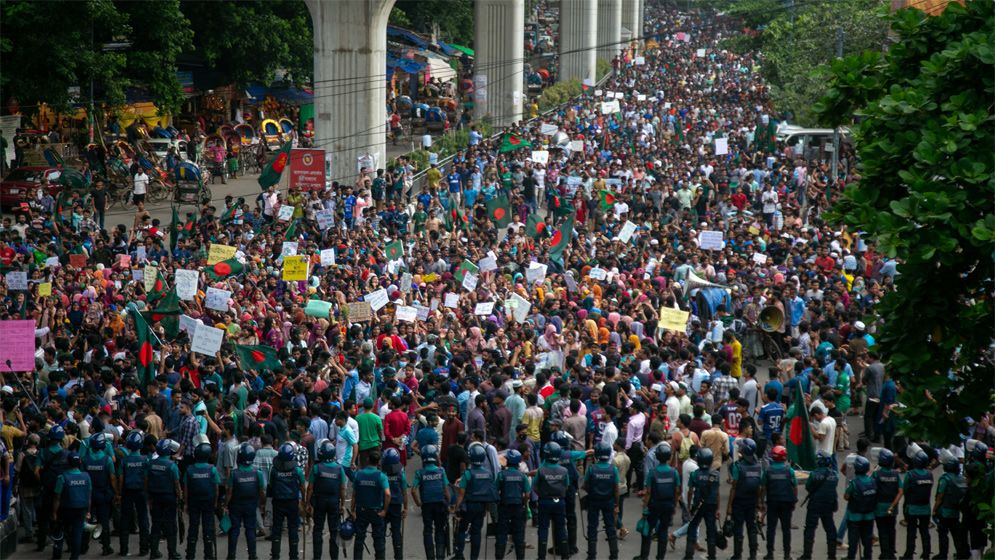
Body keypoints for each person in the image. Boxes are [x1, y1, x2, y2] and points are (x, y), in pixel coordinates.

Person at [453, 444, 497, 560]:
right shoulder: (488, 473)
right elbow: (491, 491)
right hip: (481, 507)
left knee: (462, 530)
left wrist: (456, 509)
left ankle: (459, 555)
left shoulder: (468, 473)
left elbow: (461, 494)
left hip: (468, 507)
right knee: (476, 532)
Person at [306, 440, 347, 560]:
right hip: (334, 502)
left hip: (319, 502)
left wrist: (307, 503)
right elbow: (343, 489)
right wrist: (343, 504)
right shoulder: (340, 469)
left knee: (318, 529)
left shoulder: (316, 468)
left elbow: (310, 488)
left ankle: (317, 557)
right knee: (334, 531)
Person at [639, 442, 679, 560]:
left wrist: (645, 506)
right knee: (663, 530)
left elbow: (648, 492)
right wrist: (674, 505)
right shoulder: (674, 472)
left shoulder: (653, 473)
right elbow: (677, 491)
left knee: (647, 530)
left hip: (654, 505)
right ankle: (660, 557)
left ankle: (644, 556)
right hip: (668, 505)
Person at [225, 443, 266, 560]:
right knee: (250, 530)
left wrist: (225, 505)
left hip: (236, 506)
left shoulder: (234, 474)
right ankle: (252, 555)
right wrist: (262, 504)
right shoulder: (257, 473)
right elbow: (262, 491)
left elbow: (229, 492)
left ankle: (231, 556)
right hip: (251, 506)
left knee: (234, 530)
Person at [411, 444, 451, 560]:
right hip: (440, 504)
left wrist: (419, 503)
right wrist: (449, 504)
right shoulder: (441, 471)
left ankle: (430, 557)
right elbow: (446, 490)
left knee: (428, 530)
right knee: (439, 530)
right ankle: (440, 556)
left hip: (427, 505)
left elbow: (413, 491)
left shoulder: (420, 473)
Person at [184, 442, 221, 560]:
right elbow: (216, 488)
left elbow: (186, 489)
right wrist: (215, 502)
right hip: (208, 502)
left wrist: (185, 503)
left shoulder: (190, 469)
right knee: (208, 528)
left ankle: (190, 555)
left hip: (193, 502)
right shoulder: (212, 469)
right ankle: (209, 555)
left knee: (193, 527)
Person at [351, 448, 390, 560]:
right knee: (378, 539)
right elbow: (387, 494)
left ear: (367, 460)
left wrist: (352, 510)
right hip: (376, 511)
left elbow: (354, 495)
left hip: (361, 511)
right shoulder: (381, 476)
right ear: (378, 462)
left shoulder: (359, 475)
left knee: (359, 538)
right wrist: (385, 511)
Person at [583, 442, 619, 560]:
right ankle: (614, 555)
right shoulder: (613, 469)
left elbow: (585, 485)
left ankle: (591, 555)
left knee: (592, 527)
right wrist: (616, 504)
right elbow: (616, 489)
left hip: (594, 501)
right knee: (610, 527)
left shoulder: (591, 469)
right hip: (608, 501)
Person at [726, 438, 762, 560]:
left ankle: (737, 555)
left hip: (739, 502)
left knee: (738, 529)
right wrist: (759, 503)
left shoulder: (738, 467)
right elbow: (759, 487)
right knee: (752, 528)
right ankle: (753, 555)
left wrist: (729, 506)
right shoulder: (758, 466)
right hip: (752, 502)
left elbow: (734, 487)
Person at [269, 442, 305, 560]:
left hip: (278, 502)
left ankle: (275, 556)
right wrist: (304, 500)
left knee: (277, 529)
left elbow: (271, 485)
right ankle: (294, 556)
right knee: (293, 529)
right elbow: (302, 486)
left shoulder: (274, 470)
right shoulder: (297, 470)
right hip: (292, 502)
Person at [51, 452, 91, 560]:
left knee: (60, 531)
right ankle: (74, 557)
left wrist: (54, 513)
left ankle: (57, 554)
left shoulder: (62, 477)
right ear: (79, 463)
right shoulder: (86, 476)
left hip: (65, 510)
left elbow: (57, 497)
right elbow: (88, 496)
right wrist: (88, 511)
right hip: (81, 509)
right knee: (77, 533)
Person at [147, 438, 182, 560]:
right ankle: (172, 553)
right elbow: (177, 484)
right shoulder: (172, 466)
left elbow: (147, 481)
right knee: (171, 526)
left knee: (156, 525)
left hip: (155, 497)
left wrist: (149, 497)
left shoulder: (151, 463)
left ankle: (153, 552)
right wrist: (180, 498)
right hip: (169, 498)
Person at [533, 442, 569, 560]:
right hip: (560, 502)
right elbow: (566, 486)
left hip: (544, 502)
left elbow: (534, 487)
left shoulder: (541, 470)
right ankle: (565, 556)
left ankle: (541, 556)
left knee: (543, 528)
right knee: (561, 528)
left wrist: (542, 495)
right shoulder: (564, 470)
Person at [800, 451, 839, 560]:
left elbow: (808, 487)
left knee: (810, 529)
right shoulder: (834, 474)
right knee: (830, 529)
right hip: (828, 505)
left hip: (815, 504)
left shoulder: (813, 474)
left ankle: (807, 555)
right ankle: (832, 555)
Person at [118, 430, 151, 557]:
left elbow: (120, 478)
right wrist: (147, 492)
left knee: (125, 519)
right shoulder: (145, 460)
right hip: (141, 491)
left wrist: (119, 493)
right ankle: (144, 549)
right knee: (143, 519)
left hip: (127, 491)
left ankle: (123, 549)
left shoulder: (124, 460)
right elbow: (147, 478)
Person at [761, 445, 797, 560]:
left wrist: (761, 502)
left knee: (771, 529)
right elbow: (794, 487)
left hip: (772, 502)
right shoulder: (789, 470)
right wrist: (794, 500)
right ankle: (787, 554)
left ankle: (770, 553)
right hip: (786, 502)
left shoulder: (768, 470)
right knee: (786, 529)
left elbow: (763, 487)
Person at [684, 447, 720, 560]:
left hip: (698, 505)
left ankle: (689, 555)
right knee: (711, 529)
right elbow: (717, 493)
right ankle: (712, 555)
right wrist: (718, 509)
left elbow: (690, 491)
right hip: (711, 505)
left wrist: (689, 506)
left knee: (692, 528)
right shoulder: (716, 475)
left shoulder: (695, 474)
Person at [36, 425, 68, 552]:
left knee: (44, 518)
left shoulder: (43, 452)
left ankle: (41, 543)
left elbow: (35, 471)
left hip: (47, 489)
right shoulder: (66, 454)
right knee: (63, 518)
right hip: (62, 491)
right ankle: (67, 544)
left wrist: (42, 482)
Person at [495, 448, 529, 560]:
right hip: (518, 507)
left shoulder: (501, 475)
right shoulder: (522, 476)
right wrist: (523, 504)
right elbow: (527, 494)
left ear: (508, 461)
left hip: (504, 507)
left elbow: (495, 491)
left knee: (501, 534)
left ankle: (499, 557)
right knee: (519, 534)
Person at [933, 454, 968, 560]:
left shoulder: (945, 478)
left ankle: (943, 554)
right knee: (956, 534)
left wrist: (934, 510)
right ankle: (961, 553)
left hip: (944, 511)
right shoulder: (961, 479)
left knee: (943, 534)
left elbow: (940, 496)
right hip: (955, 511)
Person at [901, 448, 933, 560]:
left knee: (911, 532)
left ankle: (909, 554)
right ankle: (926, 553)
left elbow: (904, 489)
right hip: (925, 508)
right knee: (925, 532)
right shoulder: (930, 475)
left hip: (912, 508)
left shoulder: (910, 475)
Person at [843, 455, 876, 560]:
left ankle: (851, 557)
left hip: (854, 516)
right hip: (869, 516)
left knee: (853, 540)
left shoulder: (854, 483)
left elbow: (846, 497)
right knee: (867, 539)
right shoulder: (872, 481)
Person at [872, 448, 900, 560]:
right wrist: (893, 505)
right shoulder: (895, 474)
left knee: (882, 530)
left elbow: (872, 488)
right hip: (892, 507)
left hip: (879, 507)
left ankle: (884, 553)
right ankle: (891, 553)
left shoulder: (876, 474)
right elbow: (901, 490)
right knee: (891, 529)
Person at [381, 447, 408, 559]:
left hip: (383, 506)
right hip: (396, 506)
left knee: (380, 532)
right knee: (396, 532)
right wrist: (405, 508)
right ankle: (398, 556)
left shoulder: (382, 474)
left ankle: (380, 555)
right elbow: (405, 492)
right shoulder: (401, 474)